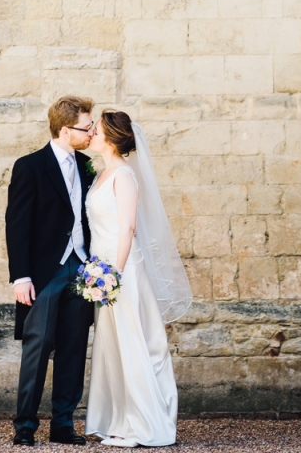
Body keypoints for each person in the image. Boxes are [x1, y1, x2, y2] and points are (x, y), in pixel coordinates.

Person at [85, 111, 192, 448]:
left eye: (96, 130)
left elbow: (128, 227)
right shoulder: (101, 174)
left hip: (122, 270)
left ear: (113, 139)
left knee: (134, 344)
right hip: (101, 268)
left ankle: (143, 425)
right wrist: (95, 271)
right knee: (113, 347)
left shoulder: (124, 176)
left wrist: (111, 275)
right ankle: (119, 419)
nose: (90, 133)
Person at [5, 96, 96, 447]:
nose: (91, 132)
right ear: (63, 129)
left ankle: (63, 424)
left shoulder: (88, 165)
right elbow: (17, 224)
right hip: (44, 274)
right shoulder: (30, 166)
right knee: (37, 347)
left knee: (73, 348)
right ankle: (25, 425)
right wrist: (21, 276)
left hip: (81, 269)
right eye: (85, 127)